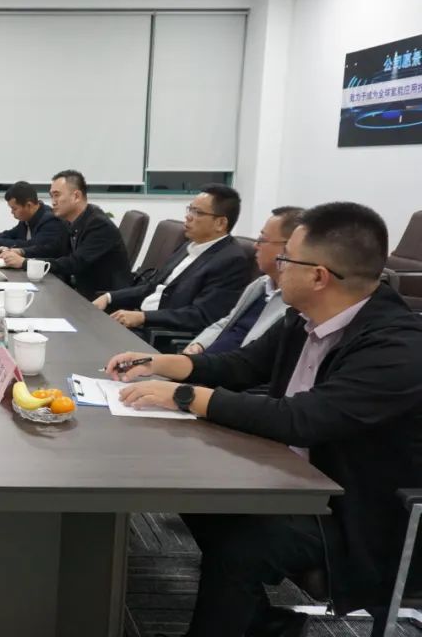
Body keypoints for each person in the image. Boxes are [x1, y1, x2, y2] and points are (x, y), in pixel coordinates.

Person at [104, 202, 422, 637]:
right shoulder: (303, 317)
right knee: (196, 498)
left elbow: (302, 419)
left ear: (318, 276)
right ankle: (261, 623)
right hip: (292, 477)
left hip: (359, 511)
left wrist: (183, 396)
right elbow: (241, 365)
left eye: (287, 258)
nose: (275, 265)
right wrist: (160, 364)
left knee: (241, 545)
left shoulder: (396, 348)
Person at [92, 184, 250, 335]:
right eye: (190, 209)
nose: (188, 216)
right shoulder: (188, 246)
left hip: (160, 334)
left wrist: (144, 317)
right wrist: (109, 297)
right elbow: (152, 287)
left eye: (197, 212)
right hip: (142, 321)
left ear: (220, 223)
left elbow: (201, 316)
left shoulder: (231, 261)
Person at [183, 206, 304, 355]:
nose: (255, 245)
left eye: (262, 240)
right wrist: (199, 344)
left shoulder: (295, 303)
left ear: (289, 247)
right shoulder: (260, 285)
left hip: (228, 366)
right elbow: (228, 321)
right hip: (205, 359)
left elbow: (255, 359)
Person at [0, 170, 130, 299]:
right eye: (52, 196)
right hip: (78, 292)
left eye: (57, 195)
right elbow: (53, 249)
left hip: (101, 300)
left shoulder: (99, 225)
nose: (53, 202)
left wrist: (24, 263)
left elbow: (74, 263)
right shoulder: (70, 221)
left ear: (76, 196)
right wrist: (21, 252)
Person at [0, 181, 64, 255]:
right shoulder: (27, 218)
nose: (11, 212)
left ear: (28, 205)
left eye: (14, 209)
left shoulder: (50, 221)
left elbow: (33, 246)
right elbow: (12, 234)